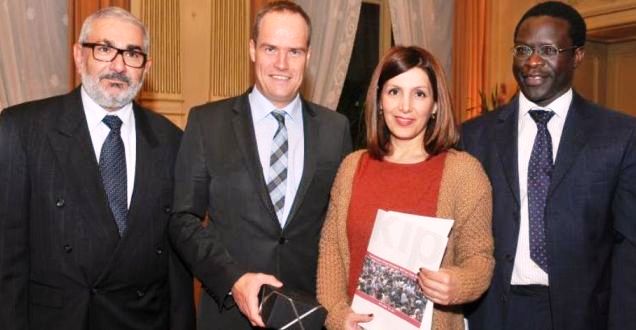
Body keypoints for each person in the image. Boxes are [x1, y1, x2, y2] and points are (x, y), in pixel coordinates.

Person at [0, 7, 194, 330]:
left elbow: (178, 269)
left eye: (132, 54)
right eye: (104, 49)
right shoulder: (22, 130)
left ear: (146, 68)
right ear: (79, 57)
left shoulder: (173, 142)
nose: (118, 66)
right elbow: (7, 262)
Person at [168, 1, 352, 329]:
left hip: (308, 315)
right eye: (270, 48)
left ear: (308, 57)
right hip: (228, 314)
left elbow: (340, 228)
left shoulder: (335, 130)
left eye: (294, 51)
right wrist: (234, 280)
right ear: (252, 49)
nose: (281, 63)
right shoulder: (207, 123)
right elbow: (183, 219)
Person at [461, 2, 636, 330]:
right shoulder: (474, 136)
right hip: (493, 313)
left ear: (578, 56)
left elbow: (628, 250)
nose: (533, 61)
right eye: (523, 49)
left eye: (548, 49)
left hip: (580, 315)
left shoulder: (620, 136)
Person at [316, 46, 494, 330]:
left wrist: (458, 283)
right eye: (394, 91)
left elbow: (479, 258)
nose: (405, 106)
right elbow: (332, 251)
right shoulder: (352, 167)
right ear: (379, 99)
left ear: (435, 104)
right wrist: (337, 314)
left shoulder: (464, 173)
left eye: (419, 94)